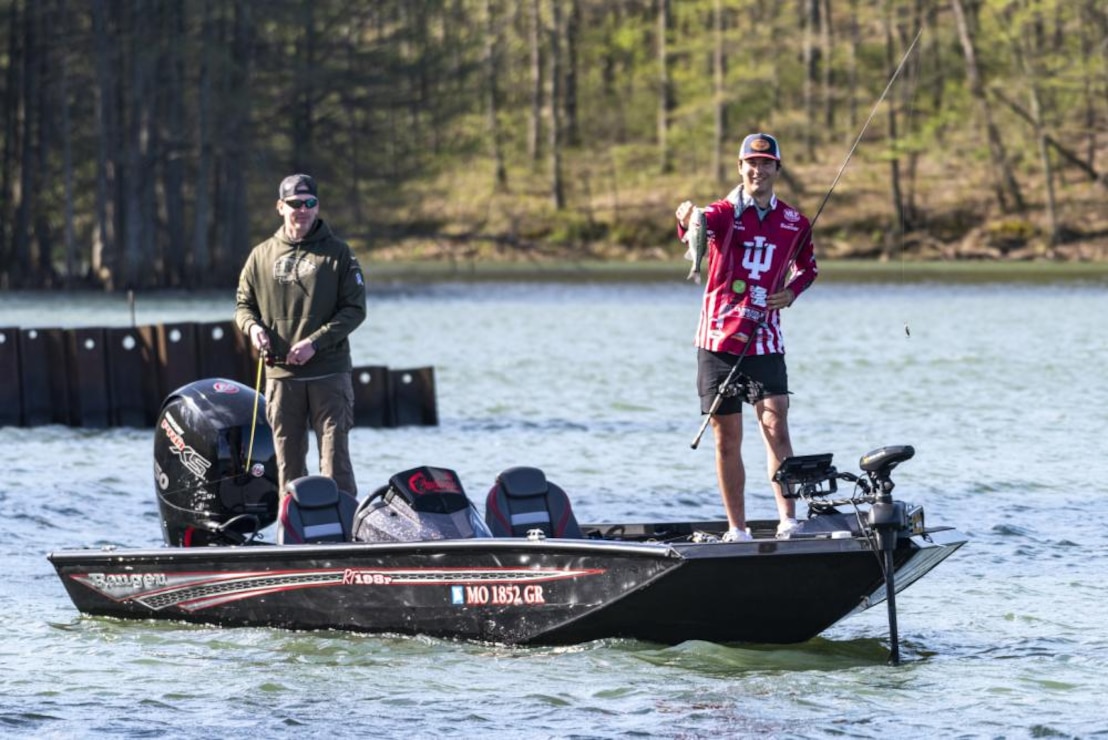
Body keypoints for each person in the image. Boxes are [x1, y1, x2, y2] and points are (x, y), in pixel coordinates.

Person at [675, 133, 818, 542]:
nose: (758, 170)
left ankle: (788, 519)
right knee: (727, 435)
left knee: (776, 423)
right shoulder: (721, 213)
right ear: (740, 168)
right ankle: (737, 529)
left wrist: (792, 292)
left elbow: (809, 268)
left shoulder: (794, 222)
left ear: (777, 169)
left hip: (765, 339)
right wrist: (686, 219)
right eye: (751, 164)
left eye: (767, 163)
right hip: (719, 339)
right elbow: (695, 231)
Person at [235, 173, 367, 498]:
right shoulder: (260, 255)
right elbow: (243, 305)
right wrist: (253, 329)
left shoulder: (339, 254)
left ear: (317, 206)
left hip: (330, 373)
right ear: (281, 207)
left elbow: (355, 309)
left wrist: (315, 342)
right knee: (288, 467)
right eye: (295, 204)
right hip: (281, 378)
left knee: (335, 464)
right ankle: (292, 533)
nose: (302, 210)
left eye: (309, 203)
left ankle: (345, 535)